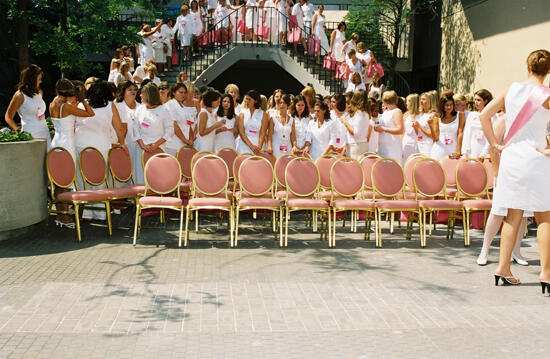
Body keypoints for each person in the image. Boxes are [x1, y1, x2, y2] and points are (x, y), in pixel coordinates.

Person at [479, 49, 550, 288]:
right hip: (537, 158)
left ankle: (502, 268)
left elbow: (484, 115)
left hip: (511, 157)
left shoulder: (511, 89)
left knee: (512, 217)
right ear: (548, 71)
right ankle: (546, 273)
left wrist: (495, 145)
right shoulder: (547, 95)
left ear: (527, 67)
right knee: (544, 218)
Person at [477, 111, 529, 266]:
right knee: (497, 212)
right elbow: (493, 148)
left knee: (523, 214)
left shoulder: (531, 118)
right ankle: (485, 250)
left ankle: (516, 251)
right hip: (505, 172)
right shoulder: (503, 120)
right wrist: (497, 173)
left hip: (525, 172)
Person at [75, 80, 125, 219]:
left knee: (83, 178)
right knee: (99, 178)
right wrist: (122, 143)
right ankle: (100, 211)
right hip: (101, 145)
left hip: (80, 144)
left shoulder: (81, 104)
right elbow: (119, 128)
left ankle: (85, 212)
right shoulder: (110, 106)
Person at [4, 65, 51, 149]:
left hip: (45, 132)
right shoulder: (19, 95)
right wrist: (18, 132)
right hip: (31, 135)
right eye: (39, 79)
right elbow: (8, 117)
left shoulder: (39, 92)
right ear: (32, 80)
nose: (41, 81)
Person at [135, 83, 174, 183]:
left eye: (142, 93)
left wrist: (156, 145)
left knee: (157, 176)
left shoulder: (164, 110)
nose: (140, 95)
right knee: (142, 175)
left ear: (149, 94)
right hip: (141, 148)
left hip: (158, 148)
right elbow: (135, 128)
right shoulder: (139, 109)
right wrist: (143, 145)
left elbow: (169, 130)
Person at [114, 81, 142, 181]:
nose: (133, 92)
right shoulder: (117, 106)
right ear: (123, 91)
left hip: (139, 145)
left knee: (138, 172)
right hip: (125, 144)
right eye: (129, 90)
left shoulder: (141, 106)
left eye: (134, 89)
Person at [429, 90, 465, 161]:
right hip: (439, 149)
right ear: (442, 106)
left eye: (451, 104)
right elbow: (436, 138)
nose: (449, 107)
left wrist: (459, 151)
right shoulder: (437, 118)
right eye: (446, 105)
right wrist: (430, 125)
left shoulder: (460, 115)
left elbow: (460, 133)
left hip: (453, 150)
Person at [164, 83, 195, 156]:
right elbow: (174, 125)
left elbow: (189, 125)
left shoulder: (183, 106)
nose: (183, 95)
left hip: (185, 145)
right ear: (174, 93)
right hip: (173, 145)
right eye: (180, 92)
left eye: (184, 93)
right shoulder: (170, 105)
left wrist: (191, 139)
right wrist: (185, 140)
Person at [461, 89, 493, 159]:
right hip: (471, 151)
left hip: (484, 152)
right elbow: (466, 134)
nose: (476, 102)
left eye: (478, 100)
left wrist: (483, 154)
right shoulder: (471, 115)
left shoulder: (492, 116)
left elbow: (491, 137)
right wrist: (464, 153)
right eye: (475, 100)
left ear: (486, 101)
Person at [236, 90, 270, 154]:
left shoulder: (263, 114)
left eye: (249, 99)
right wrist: (251, 146)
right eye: (246, 99)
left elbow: (263, 133)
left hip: (257, 146)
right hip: (243, 146)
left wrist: (259, 147)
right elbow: (241, 133)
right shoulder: (242, 113)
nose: (247, 101)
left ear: (256, 101)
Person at [375, 90, 404, 162]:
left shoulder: (396, 111)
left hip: (392, 145)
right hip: (383, 145)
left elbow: (400, 129)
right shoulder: (386, 111)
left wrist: (384, 129)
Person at [341, 90, 369, 159]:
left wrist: (345, 122)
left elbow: (356, 133)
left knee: (353, 168)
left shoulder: (359, 114)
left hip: (356, 146)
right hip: (355, 145)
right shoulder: (362, 113)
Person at [402, 93, 420, 162]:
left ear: (413, 103)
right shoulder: (406, 115)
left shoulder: (420, 116)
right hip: (406, 142)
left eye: (408, 101)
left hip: (416, 142)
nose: (406, 103)